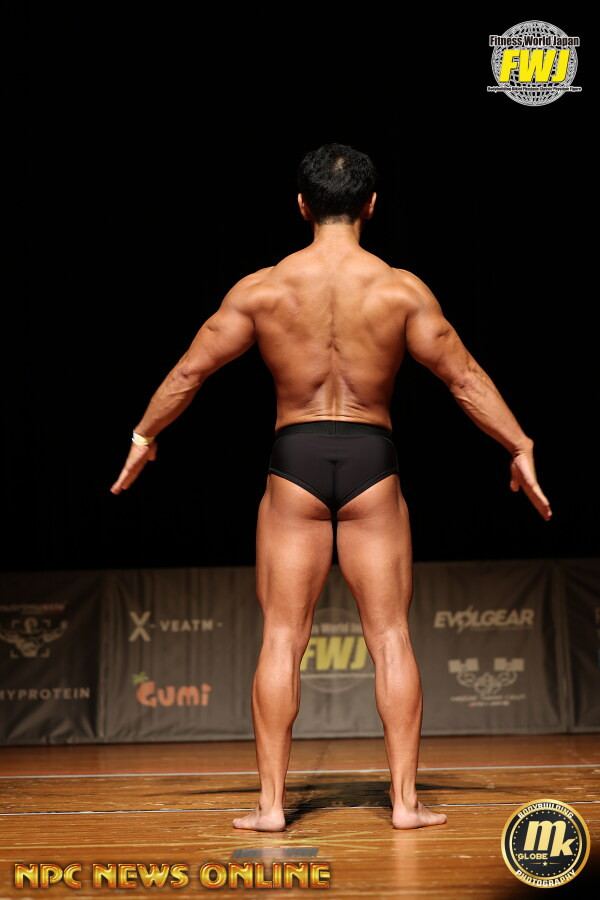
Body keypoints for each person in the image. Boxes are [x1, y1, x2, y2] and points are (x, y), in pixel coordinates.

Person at [111, 143, 552, 831]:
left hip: (296, 458)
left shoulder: (263, 290)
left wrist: (143, 437)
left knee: (283, 637)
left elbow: (190, 372)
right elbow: (464, 379)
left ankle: (271, 807)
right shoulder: (401, 290)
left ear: (301, 205)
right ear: (372, 205)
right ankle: (404, 804)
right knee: (391, 636)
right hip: (374, 458)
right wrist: (519, 444)